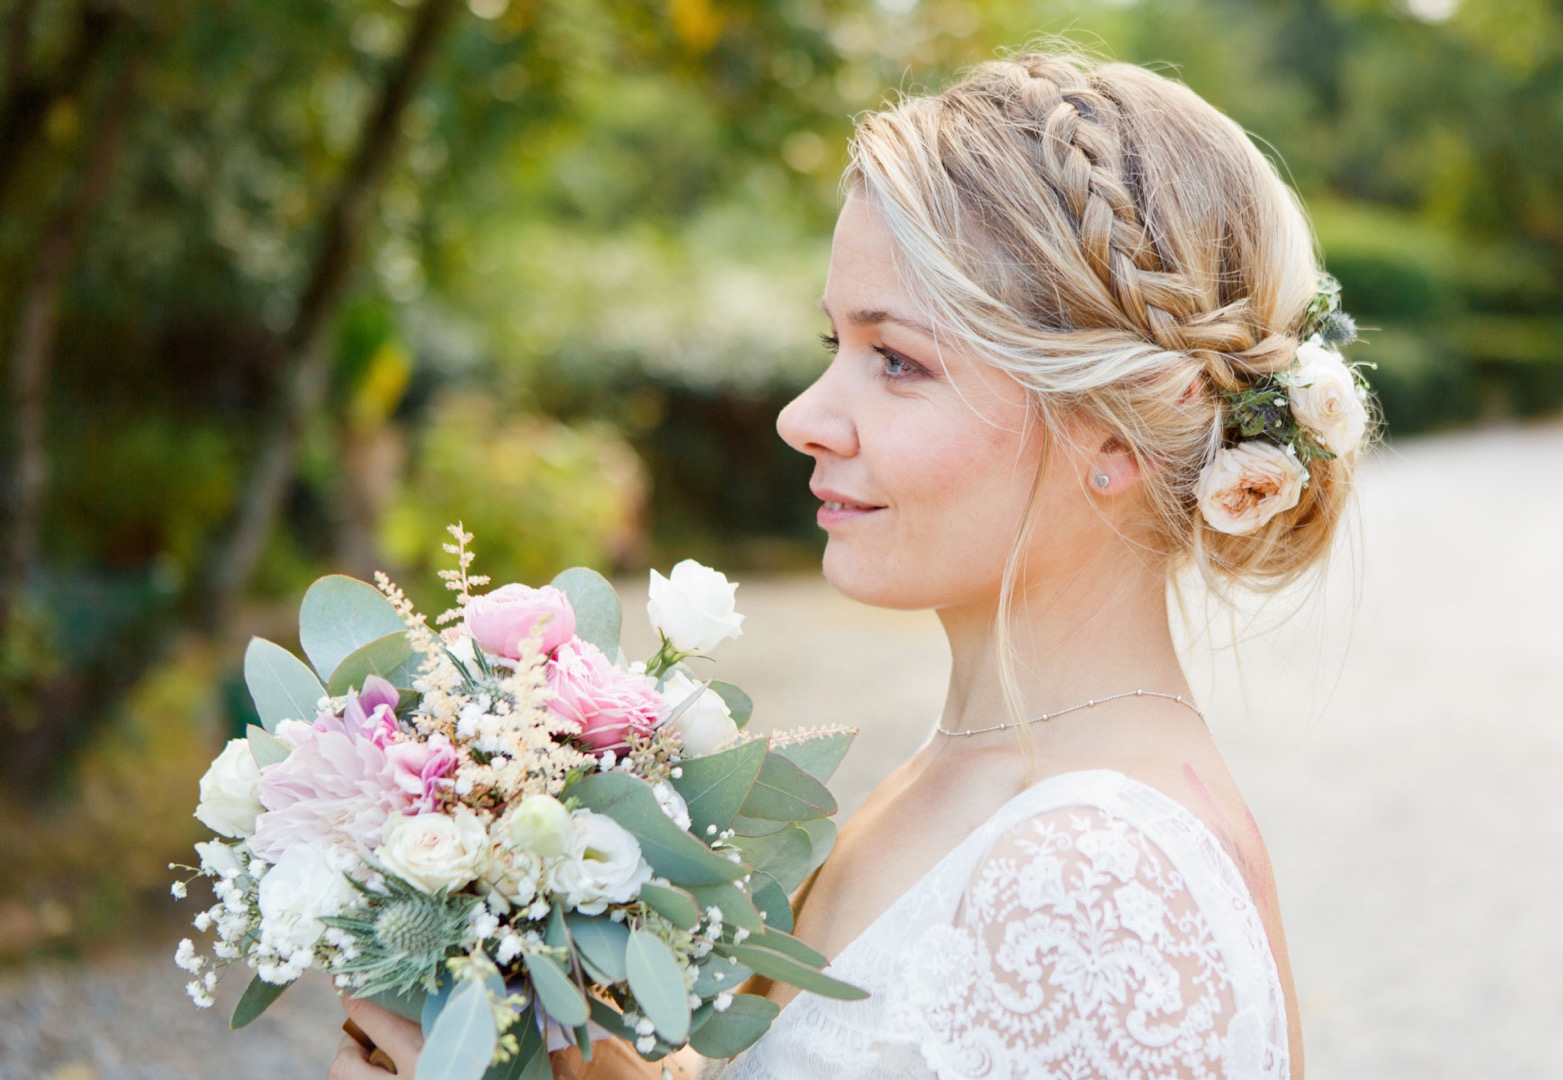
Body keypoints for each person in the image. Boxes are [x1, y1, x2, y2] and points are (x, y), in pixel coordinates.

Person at [333, 45, 1370, 1080]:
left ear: (1113, 433)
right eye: (834, 343)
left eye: (898, 361)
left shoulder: (1097, 881)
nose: (803, 417)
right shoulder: (972, 777)